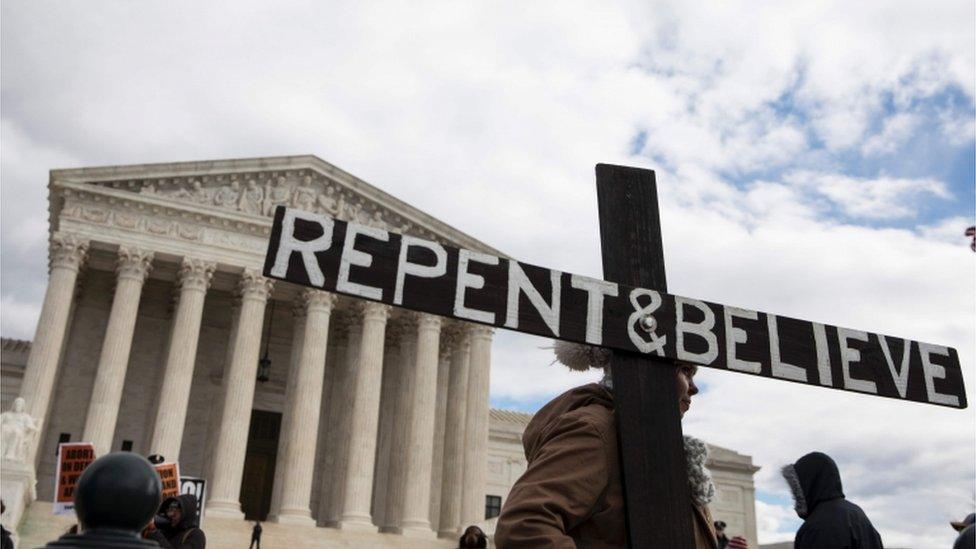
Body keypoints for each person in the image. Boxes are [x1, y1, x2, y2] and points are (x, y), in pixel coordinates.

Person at [494, 341, 719, 548]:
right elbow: (525, 525)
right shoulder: (597, 430)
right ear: (646, 366)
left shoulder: (651, 440)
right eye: (686, 370)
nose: (694, 388)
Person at [781, 452, 883, 549]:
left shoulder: (820, 526)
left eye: (796, 487)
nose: (793, 495)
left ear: (808, 483)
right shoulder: (857, 515)